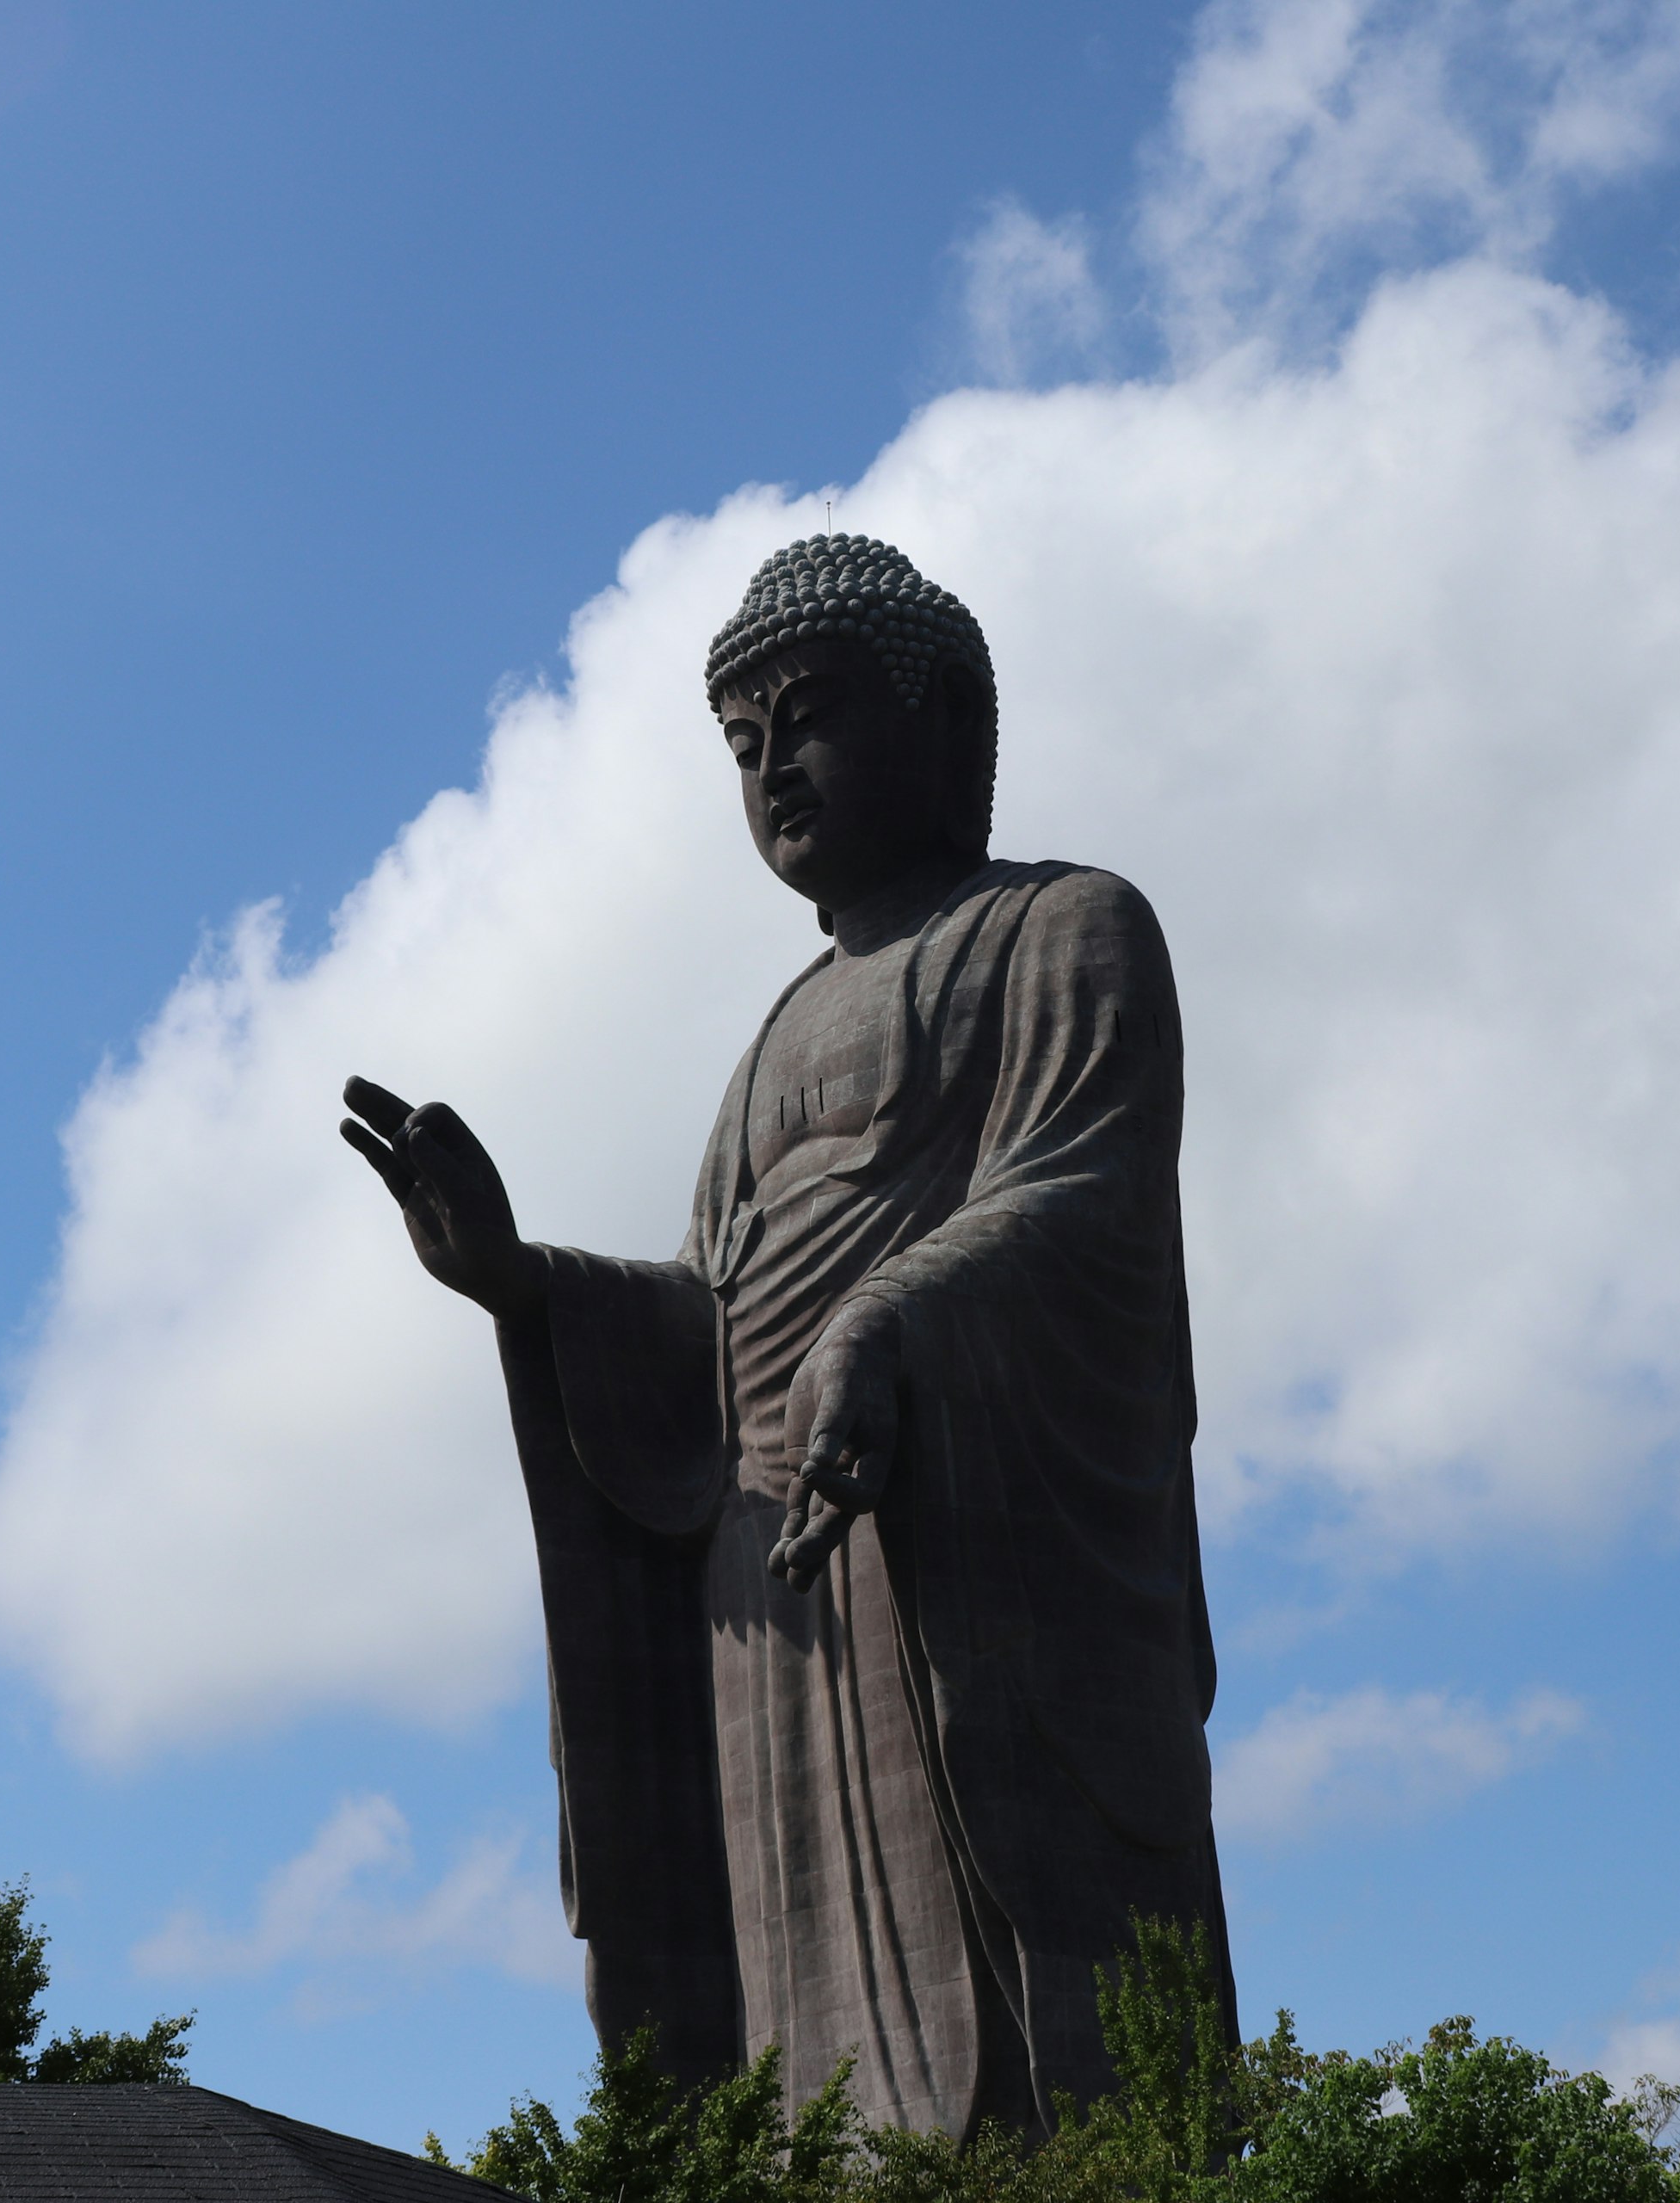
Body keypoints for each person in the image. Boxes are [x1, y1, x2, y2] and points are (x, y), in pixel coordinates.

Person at [342, 534, 1229, 2138]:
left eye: (805, 720)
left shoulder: (1062, 929)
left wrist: (889, 1316)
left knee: (1029, 2057)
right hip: (777, 1583)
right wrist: (522, 1283)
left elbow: (1082, 1189)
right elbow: (711, 1313)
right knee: (797, 2041)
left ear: (949, 718)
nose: (771, 772)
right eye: (741, 749)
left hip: (961, 1555)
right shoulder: (762, 1045)